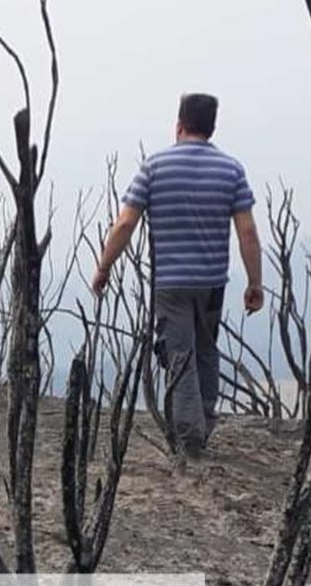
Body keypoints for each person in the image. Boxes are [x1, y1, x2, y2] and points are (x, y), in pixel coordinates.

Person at [92, 93, 264, 460]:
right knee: (205, 353)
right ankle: (202, 424)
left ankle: (189, 439)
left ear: (179, 124)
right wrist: (254, 282)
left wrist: (104, 266)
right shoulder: (231, 169)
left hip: (170, 283)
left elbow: (126, 223)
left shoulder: (154, 167)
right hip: (212, 282)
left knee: (180, 356)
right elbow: (247, 231)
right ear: (212, 127)